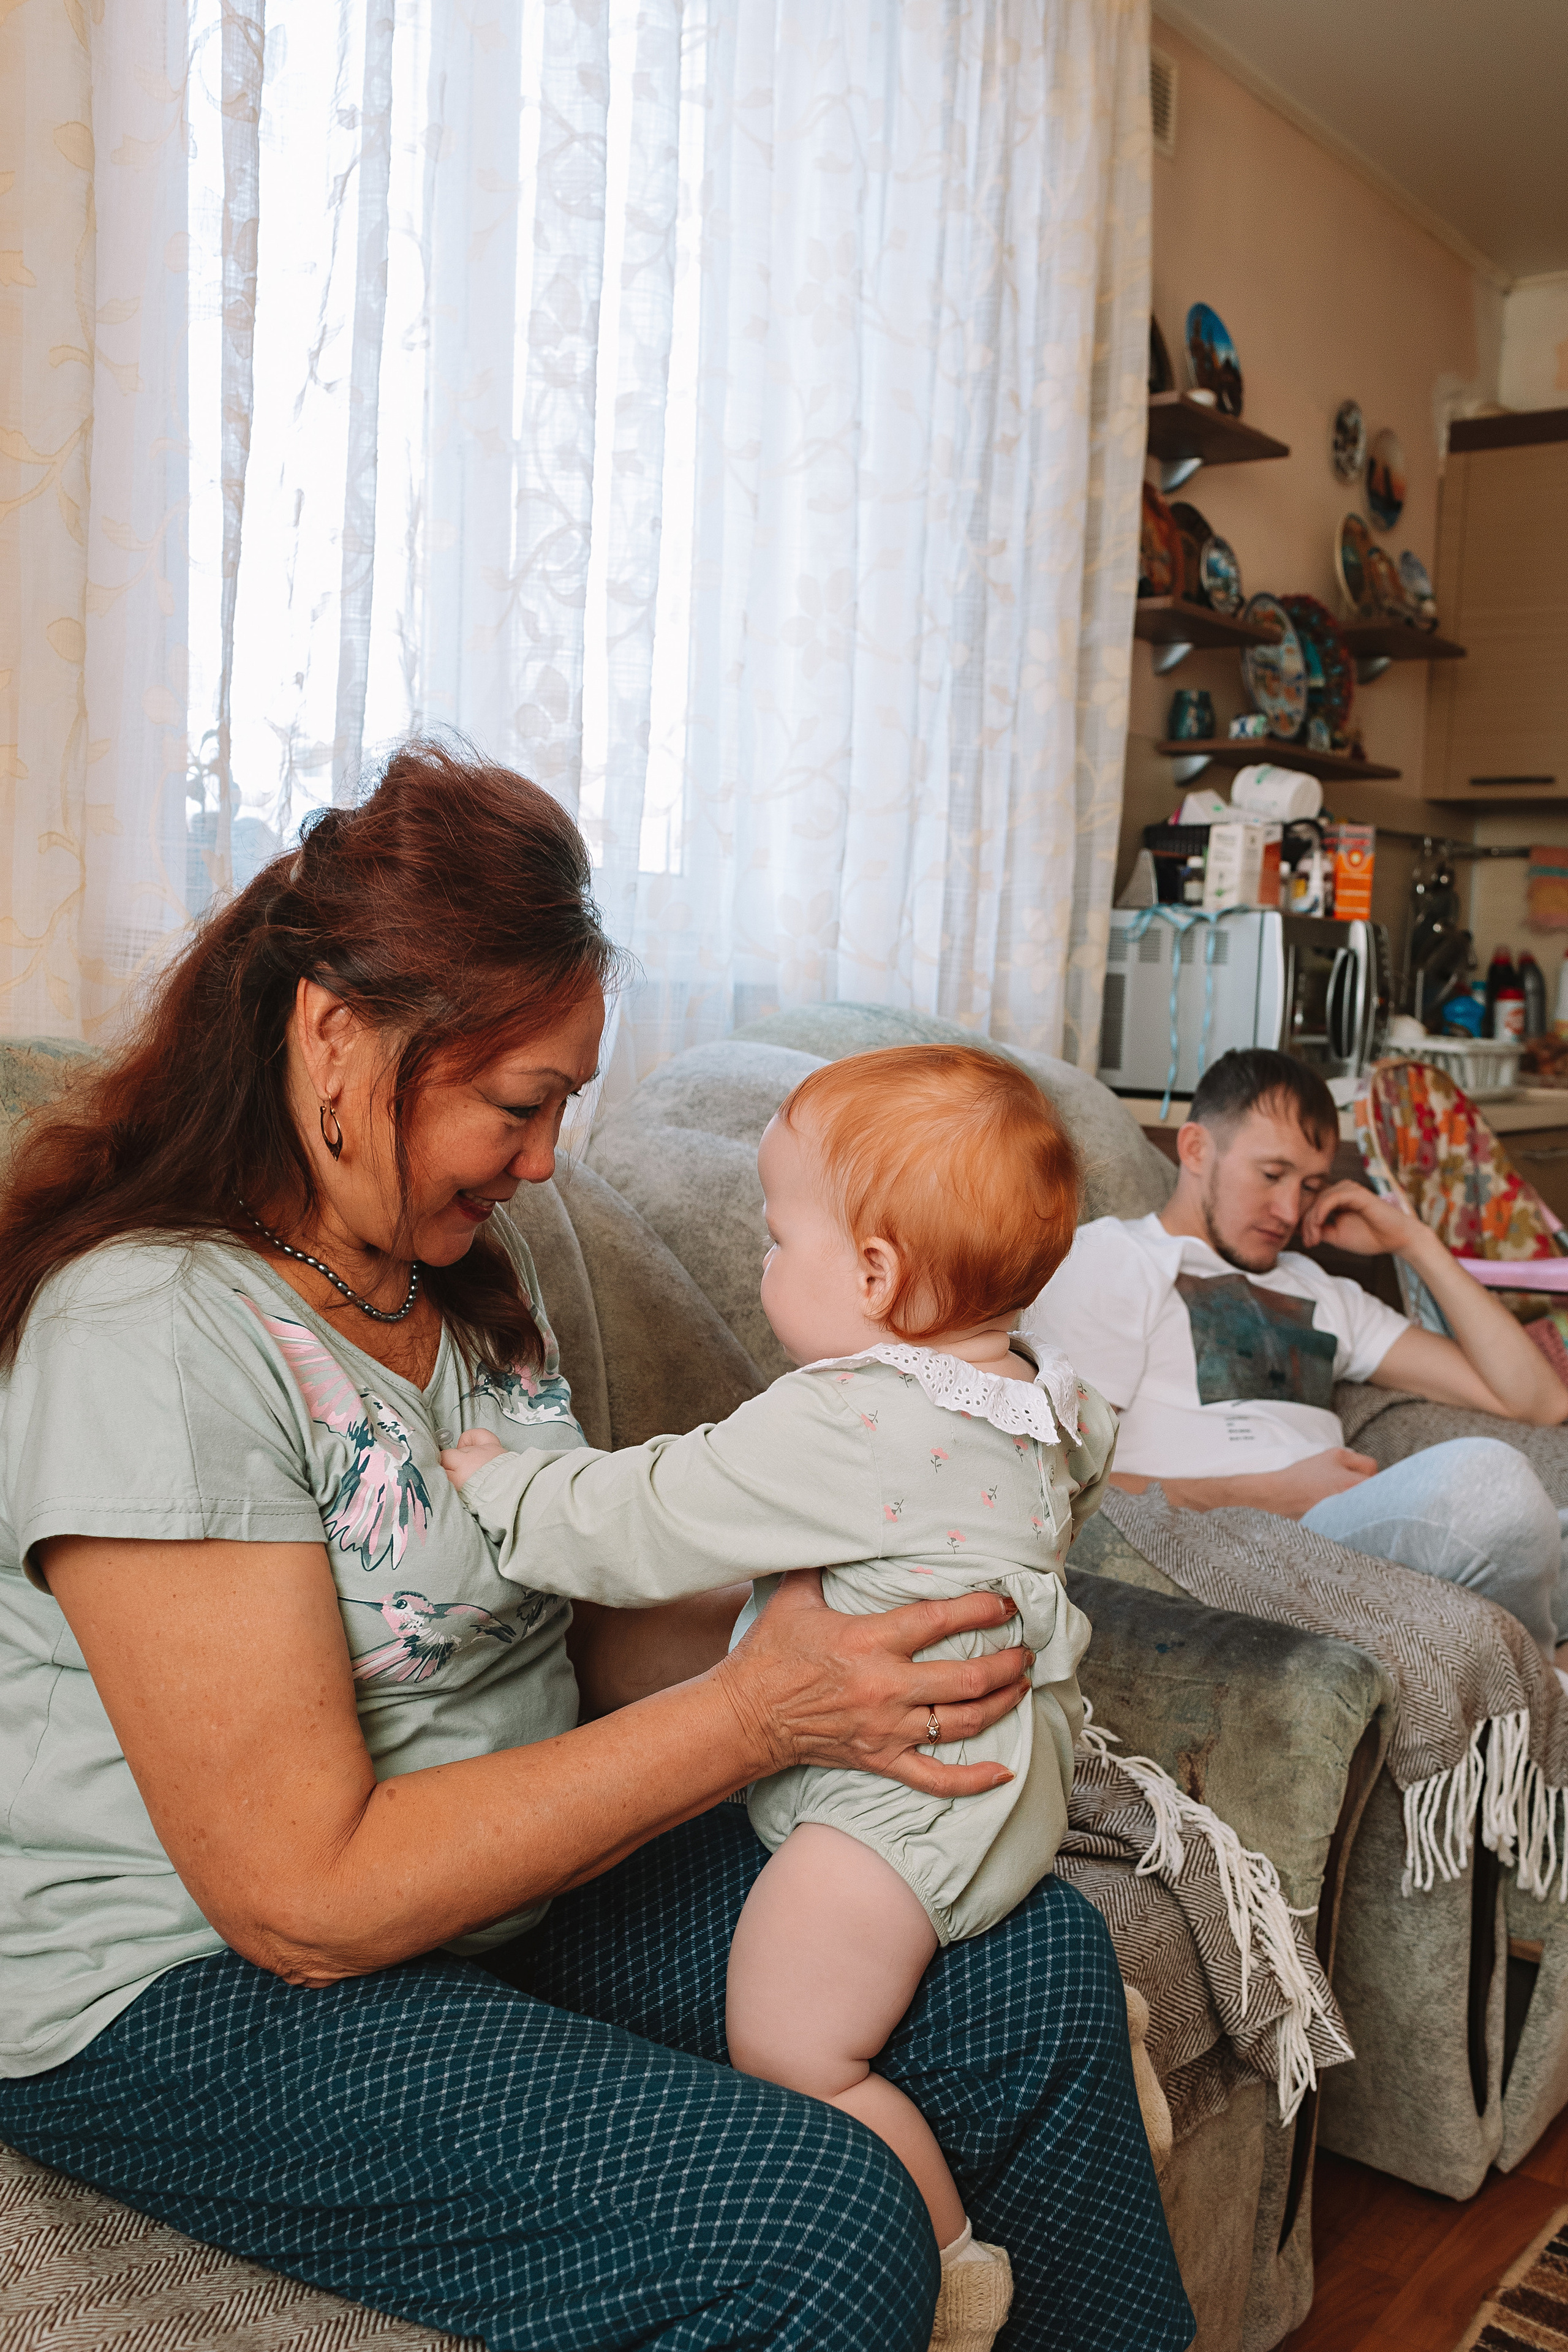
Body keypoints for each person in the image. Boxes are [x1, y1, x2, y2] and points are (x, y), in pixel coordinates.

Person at [0, 744, 1194, 2352]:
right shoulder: (152, 1330)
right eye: (520, 1103)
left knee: (1033, 1968)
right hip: (190, 1984)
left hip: (497, 1884)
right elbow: (303, 1897)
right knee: (816, 2227)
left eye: (564, 1105)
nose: (547, 1160)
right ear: (336, 1035)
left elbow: (564, 1626)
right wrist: (759, 1712)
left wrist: (848, 1621)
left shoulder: (458, 1290)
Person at [441, 1045, 1115, 2346]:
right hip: (1015, 1777)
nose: (763, 1262)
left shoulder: (847, 1419)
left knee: (792, 2043)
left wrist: (503, 1484)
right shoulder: (1045, 1399)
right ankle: (1087, 2059)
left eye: (777, 1237)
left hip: (900, 1812)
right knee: (1002, 1974)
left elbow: (645, 1516)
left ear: (874, 1275)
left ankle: (956, 2266)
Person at [1026, 1048, 1568, 1662]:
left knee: (1537, 1518)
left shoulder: (1322, 1291)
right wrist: (1264, 1493)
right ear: (1196, 1149)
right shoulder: (1112, 1257)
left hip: (1347, 1533)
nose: (1289, 1211)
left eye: (1309, 1186)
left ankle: (1517, 1669)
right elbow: (1055, 1485)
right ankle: (1542, 1675)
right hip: (1225, 1543)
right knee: (1492, 1482)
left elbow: (1536, 1400)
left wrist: (1412, 1241)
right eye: (1271, 1174)